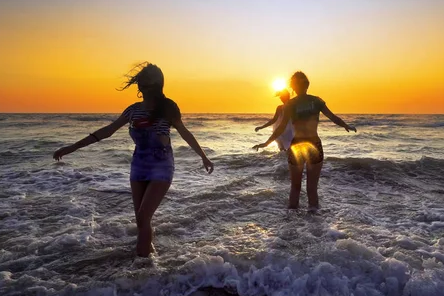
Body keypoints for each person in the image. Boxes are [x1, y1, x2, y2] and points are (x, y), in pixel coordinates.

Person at [53, 62, 214, 257]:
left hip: (162, 165)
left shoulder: (168, 108)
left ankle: (142, 266)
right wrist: (72, 147)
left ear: (156, 85)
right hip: (139, 165)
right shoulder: (132, 110)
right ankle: (148, 256)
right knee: (141, 221)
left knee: (143, 216)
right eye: (141, 83)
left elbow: (185, 132)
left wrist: (203, 157)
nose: (142, 87)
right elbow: (107, 131)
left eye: (146, 83)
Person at [253, 71, 356, 210]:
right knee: (312, 189)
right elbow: (333, 117)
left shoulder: (290, 104)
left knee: (295, 187)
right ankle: (313, 225)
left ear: (293, 87)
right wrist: (345, 125)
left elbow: (281, 127)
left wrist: (266, 143)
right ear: (307, 85)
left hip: (297, 146)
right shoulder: (317, 101)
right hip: (314, 145)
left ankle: (292, 223)